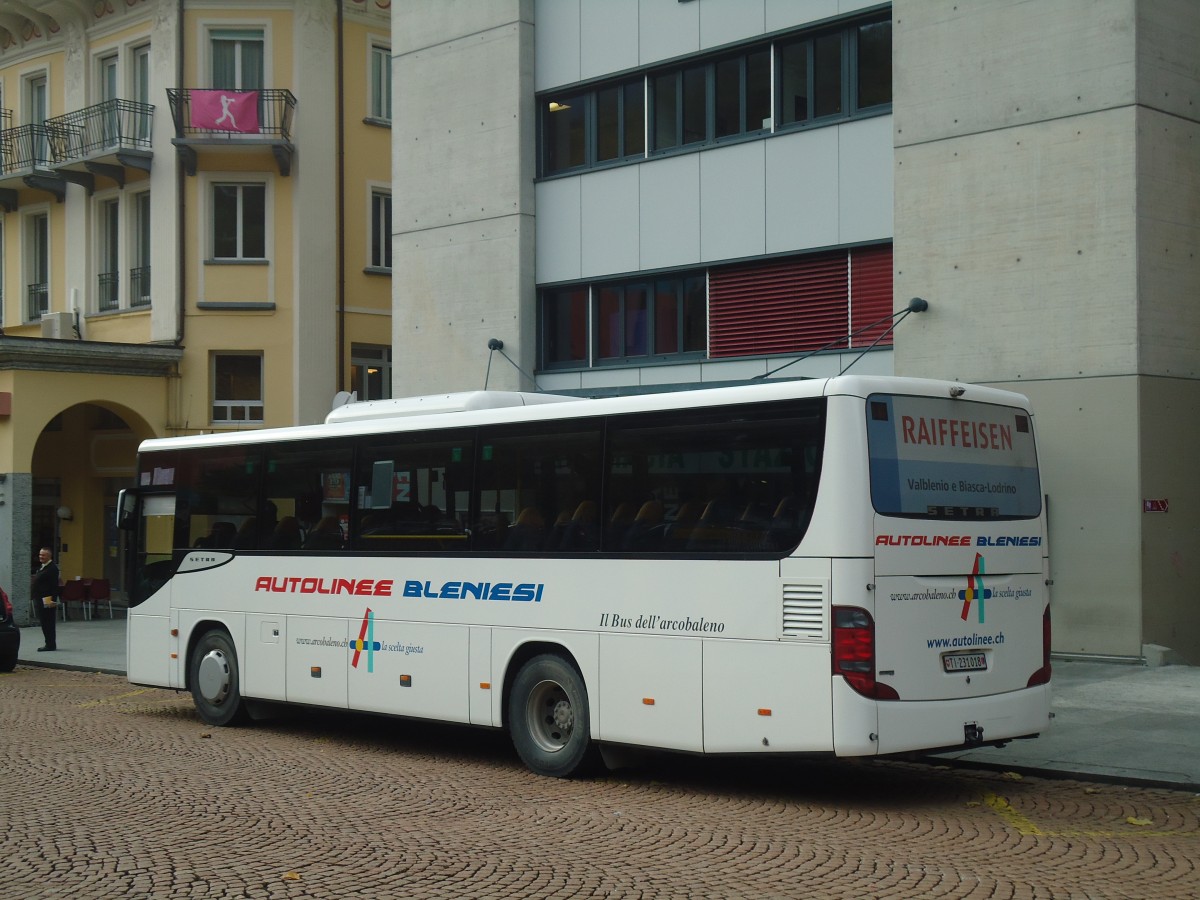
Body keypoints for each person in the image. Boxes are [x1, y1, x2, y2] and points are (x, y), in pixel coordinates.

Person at [32, 546, 60, 652]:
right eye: (40, 555)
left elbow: (54, 586)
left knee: (48, 621)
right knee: (44, 621)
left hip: (47, 599)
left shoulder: (52, 569)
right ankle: (48, 642)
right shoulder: (42, 567)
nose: (41, 557)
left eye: (43, 555)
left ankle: (50, 644)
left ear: (49, 556)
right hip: (40, 598)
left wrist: (53, 600)